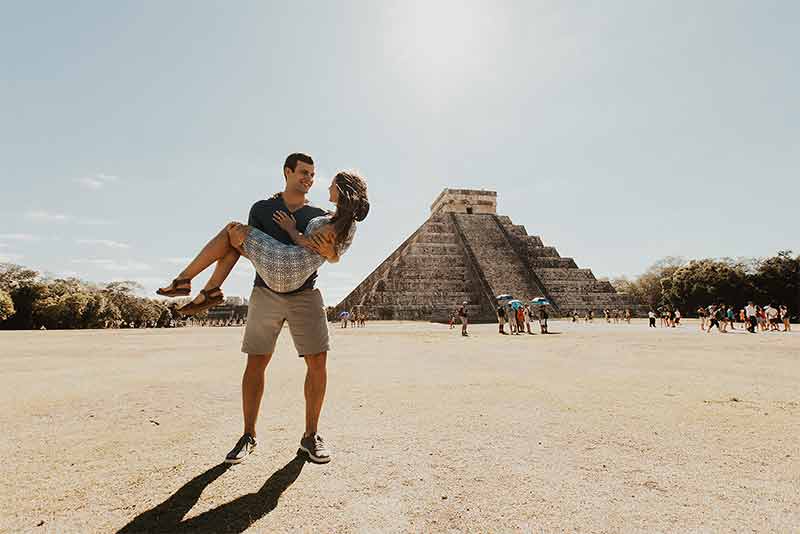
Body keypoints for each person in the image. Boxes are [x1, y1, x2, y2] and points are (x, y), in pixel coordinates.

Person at [159, 155, 369, 465]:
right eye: (303, 173)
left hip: (305, 292)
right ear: (287, 172)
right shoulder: (261, 209)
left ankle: (310, 436)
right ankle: (248, 434)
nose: (310, 179)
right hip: (265, 290)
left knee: (318, 362)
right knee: (256, 362)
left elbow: (325, 249)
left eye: (313, 174)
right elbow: (244, 250)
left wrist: (291, 241)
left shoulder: (319, 214)